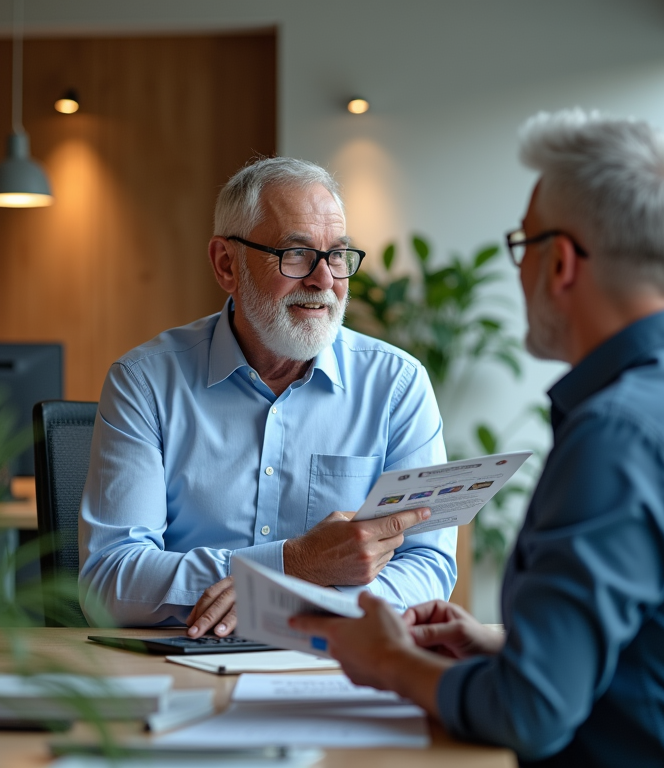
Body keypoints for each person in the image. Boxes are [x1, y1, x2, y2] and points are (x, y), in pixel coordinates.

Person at [291, 111, 664, 768]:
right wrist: (505, 644)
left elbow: (528, 713)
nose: (519, 267)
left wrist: (386, 661)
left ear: (558, 262)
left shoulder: (621, 435)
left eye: (522, 243)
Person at [79, 157, 457, 634]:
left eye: (337, 255)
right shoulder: (146, 382)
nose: (324, 280)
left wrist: (294, 591)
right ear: (225, 265)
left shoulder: (397, 384)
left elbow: (428, 564)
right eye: (296, 254)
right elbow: (108, 582)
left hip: (337, 663)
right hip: (185, 663)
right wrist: (293, 563)